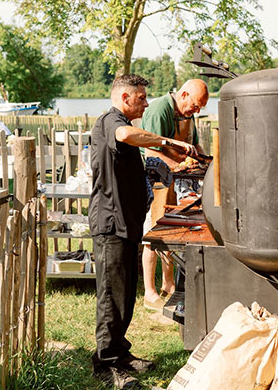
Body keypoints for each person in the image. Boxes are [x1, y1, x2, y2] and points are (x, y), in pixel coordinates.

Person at [90, 74, 197, 389]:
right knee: (111, 296)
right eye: (141, 98)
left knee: (125, 294)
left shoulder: (122, 123)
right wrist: (167, 142)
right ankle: (106, 364)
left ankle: (120, 353)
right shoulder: (110, 121)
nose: (147, 103)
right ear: (125, 98)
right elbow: (125, 134)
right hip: (110, 224)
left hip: (127, 223)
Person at [141, 79, 209, 310]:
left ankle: (168, 283)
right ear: (184, 95)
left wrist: (206, 163)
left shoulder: (188, 114)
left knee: (170, 232)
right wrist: (178, 166)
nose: (196, 111)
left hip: (176, 180)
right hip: (156, 180)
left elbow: (195, 146)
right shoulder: (160, 110)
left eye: (200, 108)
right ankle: (149, 292)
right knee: (153, 234)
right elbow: (151, 151)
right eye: (196, 105)